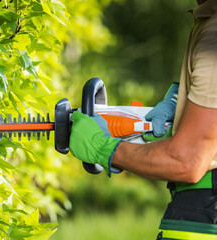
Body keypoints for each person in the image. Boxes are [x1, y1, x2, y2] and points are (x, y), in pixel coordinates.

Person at [69, 0, 217, 239]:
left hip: (204, 215)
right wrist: (184, 102)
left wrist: (102, 147)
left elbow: (187, 161)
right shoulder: (207, 19)